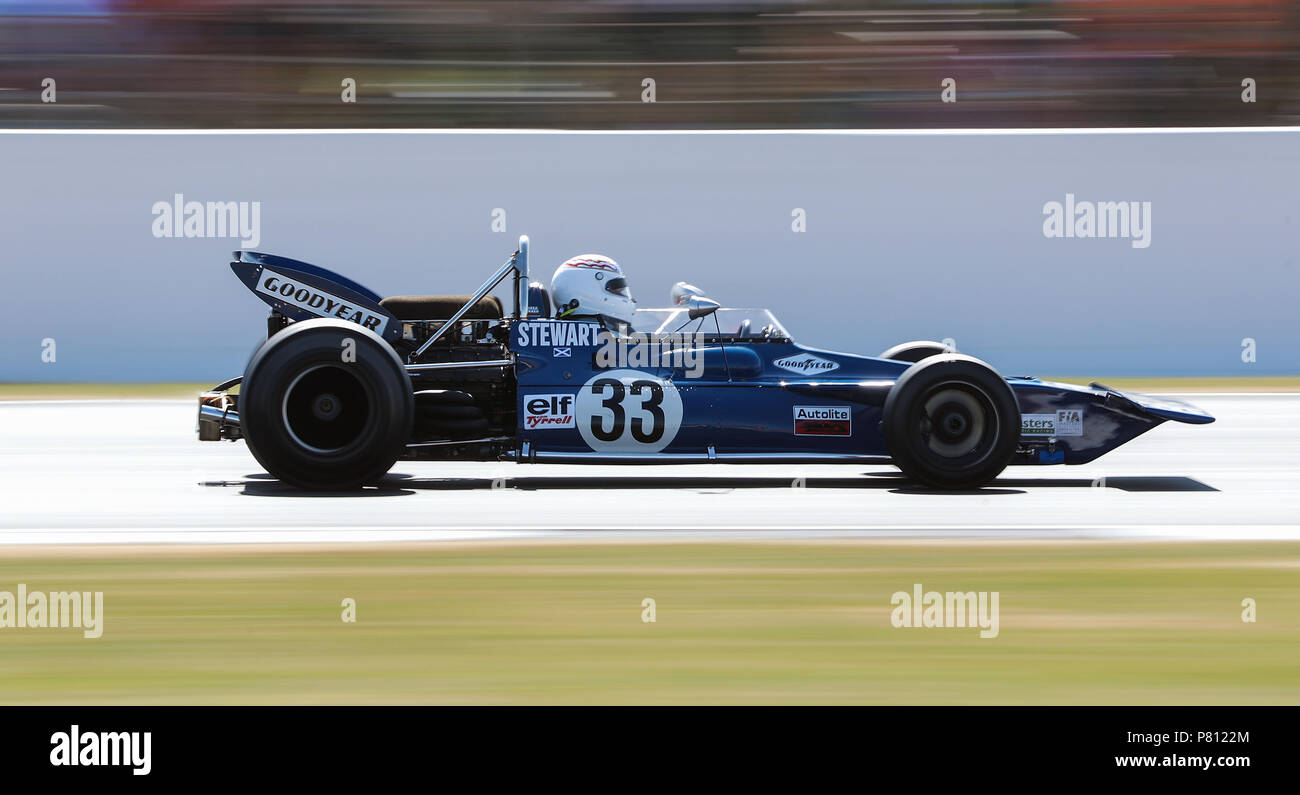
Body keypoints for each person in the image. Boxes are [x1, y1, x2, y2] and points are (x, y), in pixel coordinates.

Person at [549, 254, 637, 329]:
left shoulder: (612, 333)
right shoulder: (601, 338)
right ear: (589, 288)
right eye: (616, 291)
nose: (624, 297)